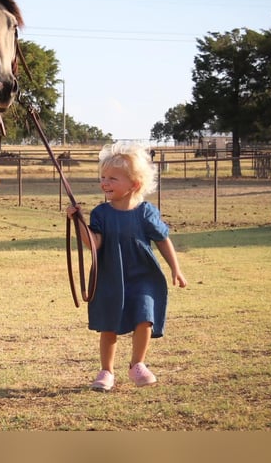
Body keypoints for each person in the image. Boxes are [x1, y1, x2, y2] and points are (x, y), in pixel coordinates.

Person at [67, 141, 187, 392]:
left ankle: (137, 365)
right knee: (109, 325)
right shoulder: (101, 213)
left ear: (134, 184)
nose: (105, 183)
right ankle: (106, 371)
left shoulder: (146, 212)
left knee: (145, 318)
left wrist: (176, 268)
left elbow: (163, 239)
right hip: (110, 277)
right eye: (103, 177)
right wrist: (78, 221)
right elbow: (94, 244)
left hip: (143, 276)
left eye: (113, 178)